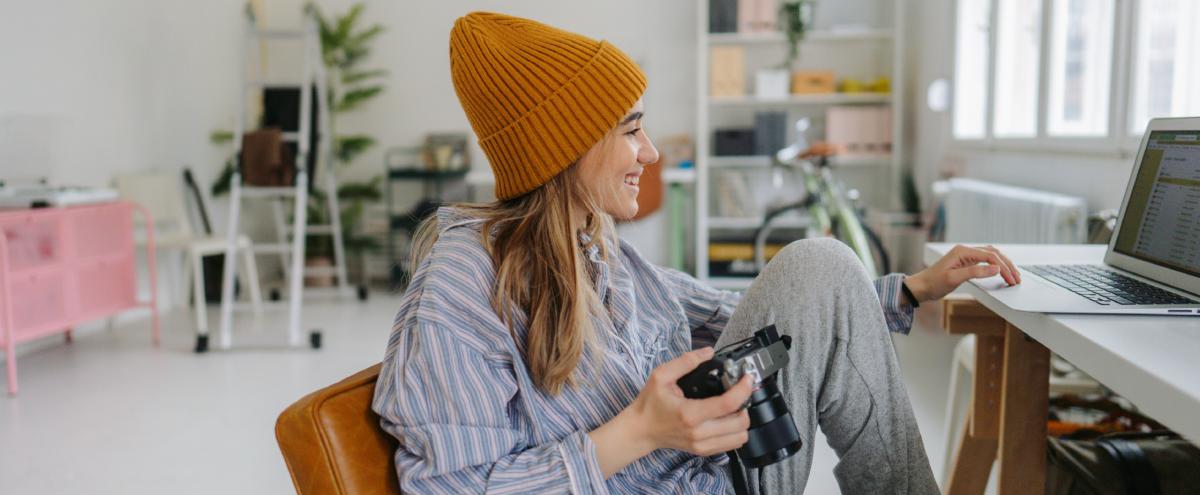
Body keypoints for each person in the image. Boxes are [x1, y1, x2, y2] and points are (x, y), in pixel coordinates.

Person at [372, 12, 1021, 494]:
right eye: (631, 131)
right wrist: (637, 432)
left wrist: (907, 290)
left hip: (715, 473)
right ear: (565, 149)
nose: (650, 153)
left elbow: (743, 309)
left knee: (818, 263)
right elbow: (446, 486)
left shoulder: (594, 245)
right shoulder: (463, 280)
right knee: (815, 261)